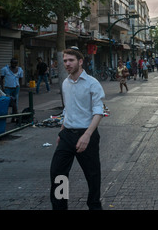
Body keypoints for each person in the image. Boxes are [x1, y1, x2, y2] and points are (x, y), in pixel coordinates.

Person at [49, 47, 105, 210]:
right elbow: (68, 109)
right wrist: (62, 130)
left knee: (92, 175)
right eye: (65, 60)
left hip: (87, 134)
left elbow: (99, 111)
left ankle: (94, 206)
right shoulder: (65, 83)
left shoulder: (92, 83)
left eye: (71, 60)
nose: (67, 63)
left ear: (80, 62)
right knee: (58, 173)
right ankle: (60, 207)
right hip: (67, 135)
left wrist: (87, 135)